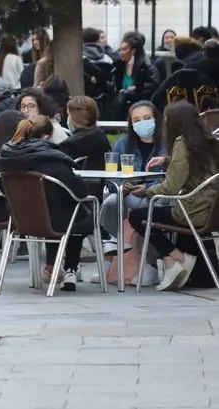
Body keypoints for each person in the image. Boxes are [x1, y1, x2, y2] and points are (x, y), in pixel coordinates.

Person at [123, 101, 219, 291]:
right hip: (211, 211)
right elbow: (196, 166)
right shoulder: (208, 141)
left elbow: (170, 188)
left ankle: (176, 258)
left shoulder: (182, 143)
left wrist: (146, 190)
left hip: (192, 212)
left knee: (138, 217)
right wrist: (167, 160)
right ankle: (177, 264)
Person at [0, 114, 91, 291]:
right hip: (57, 221)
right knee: (79, 210)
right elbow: (80, 193)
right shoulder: (55, 161)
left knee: (60, 210)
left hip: (20, 220)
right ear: (47, 137)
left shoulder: (5, 158)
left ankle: (52, 267)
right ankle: (70, 270)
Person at [94, 101, 166, 265]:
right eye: (137, 120)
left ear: (156, 119)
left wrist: (147, 188)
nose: (142, 123)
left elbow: (169, 177)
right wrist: (121, 185)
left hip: (154, 194)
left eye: (147, 118)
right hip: (126, 193)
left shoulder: (166, 146)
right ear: (131, 124)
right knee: (110, 203)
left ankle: (151, 262)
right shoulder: (122, 144)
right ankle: (111, 252)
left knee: (147, 208)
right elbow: (110, 177)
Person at [58, 95, 110, 172]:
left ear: (74, 117)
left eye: (68, 114)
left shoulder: (69, 145)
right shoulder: (101, 136)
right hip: (102, 182)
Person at [114, 31, 160, 108]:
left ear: (133, 51)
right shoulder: (118, 65)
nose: (120, 52)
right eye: (120, 49)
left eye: (124, 49)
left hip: (140, 107)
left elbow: (153, 88)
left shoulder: (147, 67)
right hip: (121, 107)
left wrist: (137, 88)